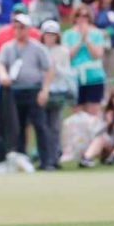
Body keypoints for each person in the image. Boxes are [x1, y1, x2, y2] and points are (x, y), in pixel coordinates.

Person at [0, 13, 56, 170]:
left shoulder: (37, 48)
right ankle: (20, 158)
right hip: (14, 91)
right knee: (17, 126)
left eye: (21, 27)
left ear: (28, 29)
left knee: (40, 125)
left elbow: (49, 69)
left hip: (33, 90)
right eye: (15, 27)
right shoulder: (8, 48)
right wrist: (3, 75)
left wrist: (45, 89)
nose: (18, 30)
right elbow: (0, 64)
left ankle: (47, 161)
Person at [62, 3, 107, 117]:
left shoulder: (96, 33)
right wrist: (79, 41)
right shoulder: (68, 34)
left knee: (93, 111)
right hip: (75, 77)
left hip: (94, 76)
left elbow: (97, 55)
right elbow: (68, 56)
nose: (82, 18)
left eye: (85, 15)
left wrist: (87, 39)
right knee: (78, 112)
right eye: (79, 15)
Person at [40, 20, 72, 167]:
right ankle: (44, 158)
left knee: (54, 126)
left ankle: (54, 157)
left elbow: (66, 72)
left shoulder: (63, 51)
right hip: (42, 92)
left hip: (57, 92)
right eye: (47, 34)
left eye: (53, 35)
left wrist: (54, 67)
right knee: (42, 126)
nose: (50, 38)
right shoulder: (39, 49)